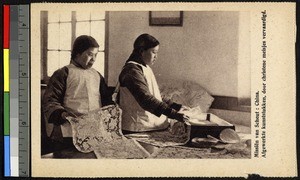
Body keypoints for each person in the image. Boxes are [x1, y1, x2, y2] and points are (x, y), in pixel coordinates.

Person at [43, 35, 113, 146]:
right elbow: (50, 100)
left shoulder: (97, 75)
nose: (93, 59)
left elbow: (106, 100)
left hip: (93, 130)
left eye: (96, 55)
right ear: (78, 53)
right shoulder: (63, 73)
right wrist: (62, 114)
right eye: (90, 54)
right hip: (67, 131)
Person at [117, 33, 189, 134]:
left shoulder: (145, 67)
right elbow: (146, 99)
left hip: (147, 126)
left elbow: (156, 95)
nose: (156, 57)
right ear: (142, 51)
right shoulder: (131, 71)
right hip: (136, 128)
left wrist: (176, 106)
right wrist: (173, 114)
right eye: (154, 52)